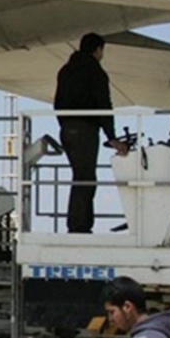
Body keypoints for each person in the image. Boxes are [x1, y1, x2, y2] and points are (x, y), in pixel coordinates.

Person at [54, 33, 129, 233]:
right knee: (86, 177)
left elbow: (57, 103)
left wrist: (65, 124)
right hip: (85, 129)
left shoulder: (66, 71)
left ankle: (78, 223)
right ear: (98, 49)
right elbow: (104, 105)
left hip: (67, 128)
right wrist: (111, 137)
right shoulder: (95, 71)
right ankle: (79, 225)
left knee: (80, 175)